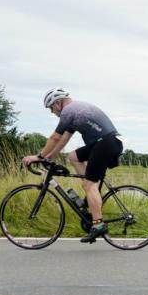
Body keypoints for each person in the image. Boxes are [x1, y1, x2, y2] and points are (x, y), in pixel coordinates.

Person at [22, 88, 123, 243]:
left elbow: (55, 137)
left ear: (57, 103)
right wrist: (49, 157)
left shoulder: (68, 111)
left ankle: (98, 225)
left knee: (90, 185)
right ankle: (90, 193)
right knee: (73, 157)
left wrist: (39, 156)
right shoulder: (75, 110)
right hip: (105, 143)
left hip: (104, 144)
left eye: (50, 108)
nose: (51, 112)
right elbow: (63, 140)